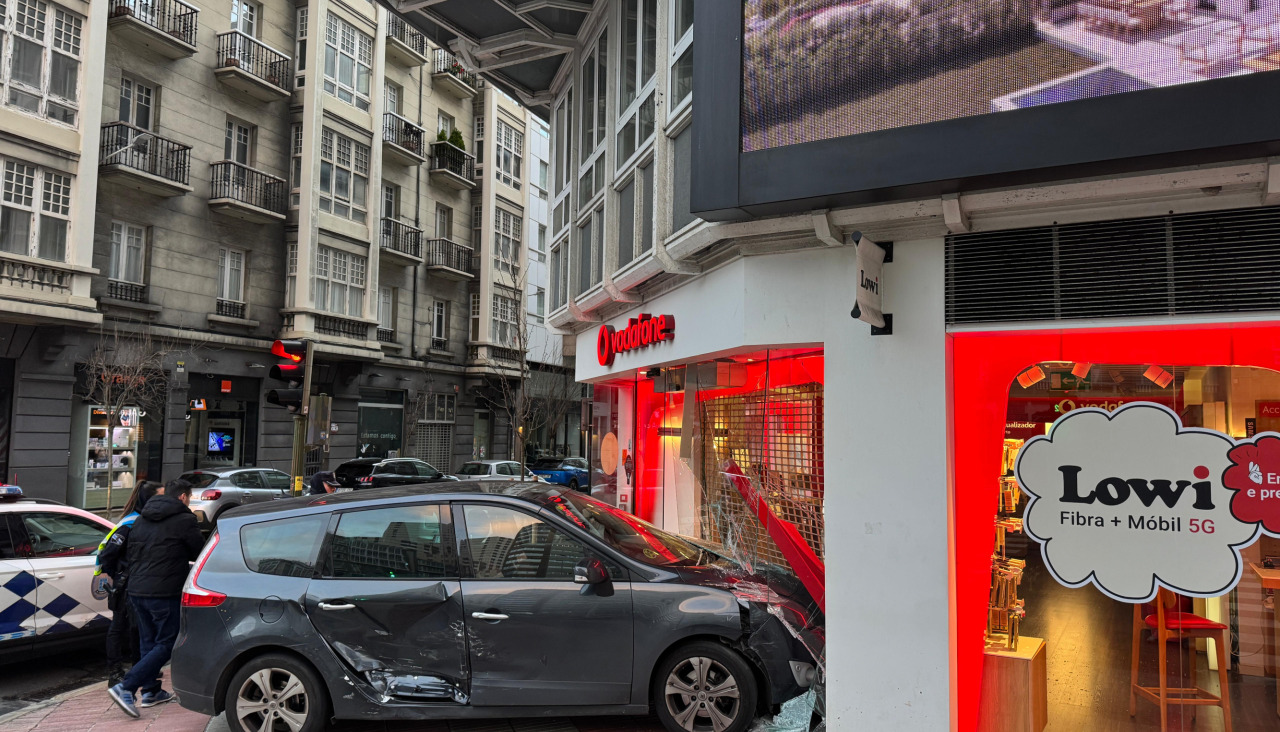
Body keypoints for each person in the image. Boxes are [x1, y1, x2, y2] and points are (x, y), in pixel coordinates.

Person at [107, 479, 204, 717]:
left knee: (148, 642)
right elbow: (198, 552)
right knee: (168, 643)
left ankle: (151, 692)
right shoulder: (184, 520)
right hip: (165, 591)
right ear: (182, 497)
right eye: (189, 498)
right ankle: (126, 686)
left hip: (137, 590)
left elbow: (131, 552)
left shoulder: (140, 519)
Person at [95, 481, 163, 686]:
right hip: (125, 584)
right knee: (119, 627)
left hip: (137, 581)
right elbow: (107, 553)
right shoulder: (130, 524)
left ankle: (140, 668)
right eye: (160, 496)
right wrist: (117, 576)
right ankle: (115, 672)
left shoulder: (143, 520)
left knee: (138, 628)